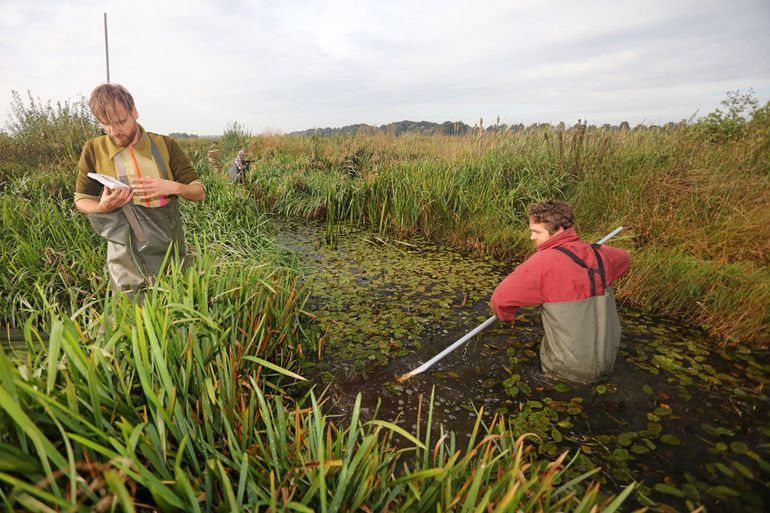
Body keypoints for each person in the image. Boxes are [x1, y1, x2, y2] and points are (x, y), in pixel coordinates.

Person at [74, 83, 206, 296]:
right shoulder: (93, 149)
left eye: (120, 122)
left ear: (134, 111)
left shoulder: (166, 145)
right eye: (105, 124)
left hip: (168, 246)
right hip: (123, 255)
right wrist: (101, 207)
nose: (114, 132)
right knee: (130, 311)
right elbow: (81, 199)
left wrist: (173, 187)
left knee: (174, 300)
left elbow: (199, 192)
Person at [490, 200, 630, 384]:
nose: (532, 237)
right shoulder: (599, 254)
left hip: (565, 370)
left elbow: (500, 300)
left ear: (558, 231)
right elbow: (624, 259)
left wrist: (507, 318)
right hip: (607, 360)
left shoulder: (541, 264)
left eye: (536, 231)